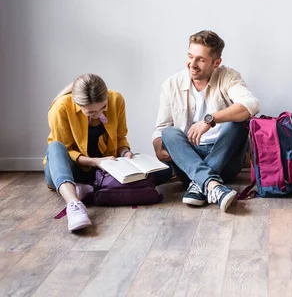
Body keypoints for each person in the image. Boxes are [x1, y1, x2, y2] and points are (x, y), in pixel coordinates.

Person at [44, 74, 171, 231]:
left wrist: (125, 153)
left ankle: (88, 190)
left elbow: (120, 137)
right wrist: (95, 161)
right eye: (90, 112)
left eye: (103, 108)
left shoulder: (116, 99)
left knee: (165, 171)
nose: (97, 115)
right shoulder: (61, 107)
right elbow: (66, 150)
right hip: (70, 170)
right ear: (77, 103)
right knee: (55, 147)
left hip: (104, 170)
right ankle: (74, 204)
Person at [153, 30, 260, 212]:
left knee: (240, 120)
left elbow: (251, 104)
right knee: (168, 133)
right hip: (189, 160)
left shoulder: (229, 77)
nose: (192, 65)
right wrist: (158, 147)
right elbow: (161, 128)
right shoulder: (171, 84)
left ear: (216, 63)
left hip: (226, 159)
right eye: (190, 57)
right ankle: (212, 185)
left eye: (201, 60)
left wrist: (210, 120)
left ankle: (200, 183)